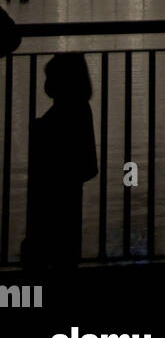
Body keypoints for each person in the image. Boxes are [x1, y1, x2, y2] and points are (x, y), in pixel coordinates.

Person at [21, 53, 98, 269]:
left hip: (48, 212)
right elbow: (89, 166)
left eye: (50, 77)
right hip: (68, 210)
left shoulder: (54, 121)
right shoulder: (81, 110)